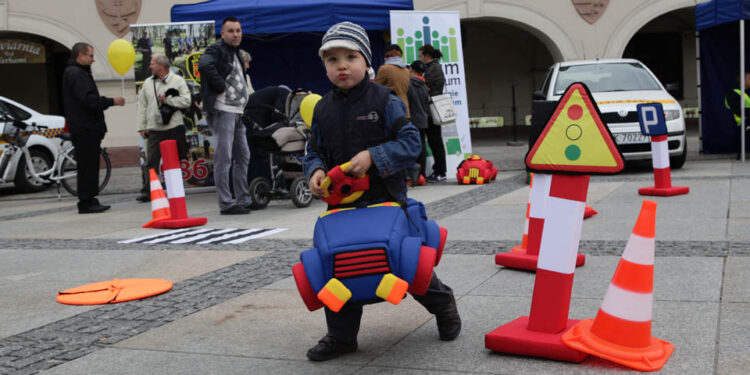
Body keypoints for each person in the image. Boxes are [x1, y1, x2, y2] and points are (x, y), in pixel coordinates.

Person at [303, 21, 461, 362]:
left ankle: (442, 302)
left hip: (385, 200)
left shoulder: (384, 99)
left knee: (405, 264)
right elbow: (313, 150)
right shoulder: (322, 109)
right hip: (341, 208)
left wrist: (373, 156)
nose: (342, 65)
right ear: (325, 66)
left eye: (350, 56)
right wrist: (314, 170)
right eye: (332, 60)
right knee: (337, 266)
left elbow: (410, 143)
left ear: (366, 61)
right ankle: (341, 335)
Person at [61, 42, 125, 213]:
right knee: (87, 165)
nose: (93, 60)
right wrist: (111, 101)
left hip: (87, 126)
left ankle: (90, 199)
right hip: (85, 127)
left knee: (90, 165)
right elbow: (88, 100)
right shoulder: (76, 73)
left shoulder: (78, 72)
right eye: (90, 56)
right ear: (80, 56)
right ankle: (86, 202)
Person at [198, 17, 253, 215]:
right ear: (222, 34)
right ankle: (226, 202)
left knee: (242, 156)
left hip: (236, 111)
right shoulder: (217, 49)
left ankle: (243, 199)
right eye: (231, 31)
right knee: (224, 157)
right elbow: (204, 65)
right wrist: (219, 86)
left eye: (238, 30)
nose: (236, 34)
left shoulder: (235, 52)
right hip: (223, 110)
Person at [135, 54, 192, 202]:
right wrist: (142, 127)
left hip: (173, 127)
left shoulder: (177, 80)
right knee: (151, 162)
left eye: (152, 63)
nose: (150, 66)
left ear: (161, 66)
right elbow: (142, 106)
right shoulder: (147, 83)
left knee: (173, 161)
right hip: (154, 128)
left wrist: (168, 100)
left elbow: (186, 101)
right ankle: (149, 191)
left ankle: (176, 189)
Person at [419, 44, 447, 182]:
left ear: (427, 55)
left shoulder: (434, 68)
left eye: (420, 56)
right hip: (428, 110)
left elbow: (429, 87)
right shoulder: (430, 68)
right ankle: (439, 170)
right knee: (433, 141)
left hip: (431, 110)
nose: (420, 58)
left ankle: (440, 171)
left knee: (435, 141)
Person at [407, 60, 430, 184]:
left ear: (411, 70)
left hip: (412, 120)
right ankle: (422, 174)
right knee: (421, 148)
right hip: (423, 120)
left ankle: (413, 176)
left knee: (411, 149)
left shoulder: (409, 85)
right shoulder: (425, 87)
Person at [375, 44, 410, 117]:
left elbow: (377, 88)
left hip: (390, 107)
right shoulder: (406, 70)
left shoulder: (385, 68)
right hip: (405, 107)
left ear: (387, 55)